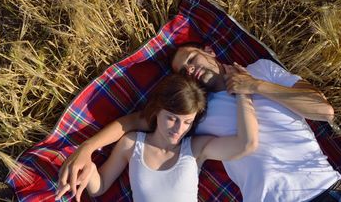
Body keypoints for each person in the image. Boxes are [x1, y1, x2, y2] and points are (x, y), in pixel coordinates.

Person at [58, 45, 341, 202]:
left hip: (326, 191)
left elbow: (323, 111)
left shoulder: (262, 69)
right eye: (182, 71)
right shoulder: (195, 111)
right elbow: (136, 122)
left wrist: (253, 87)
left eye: (192, 58)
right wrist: (87, 148)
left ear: (209, 51)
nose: (190, 70)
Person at [56, 72, 258, 201]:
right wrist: (88, 168)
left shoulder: (196, 148)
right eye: (172, 118)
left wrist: (243, 93)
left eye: (187, 122)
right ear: (157, 110)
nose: (179, 129)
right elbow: (98, 188)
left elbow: (246, 144)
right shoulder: (132, 143)